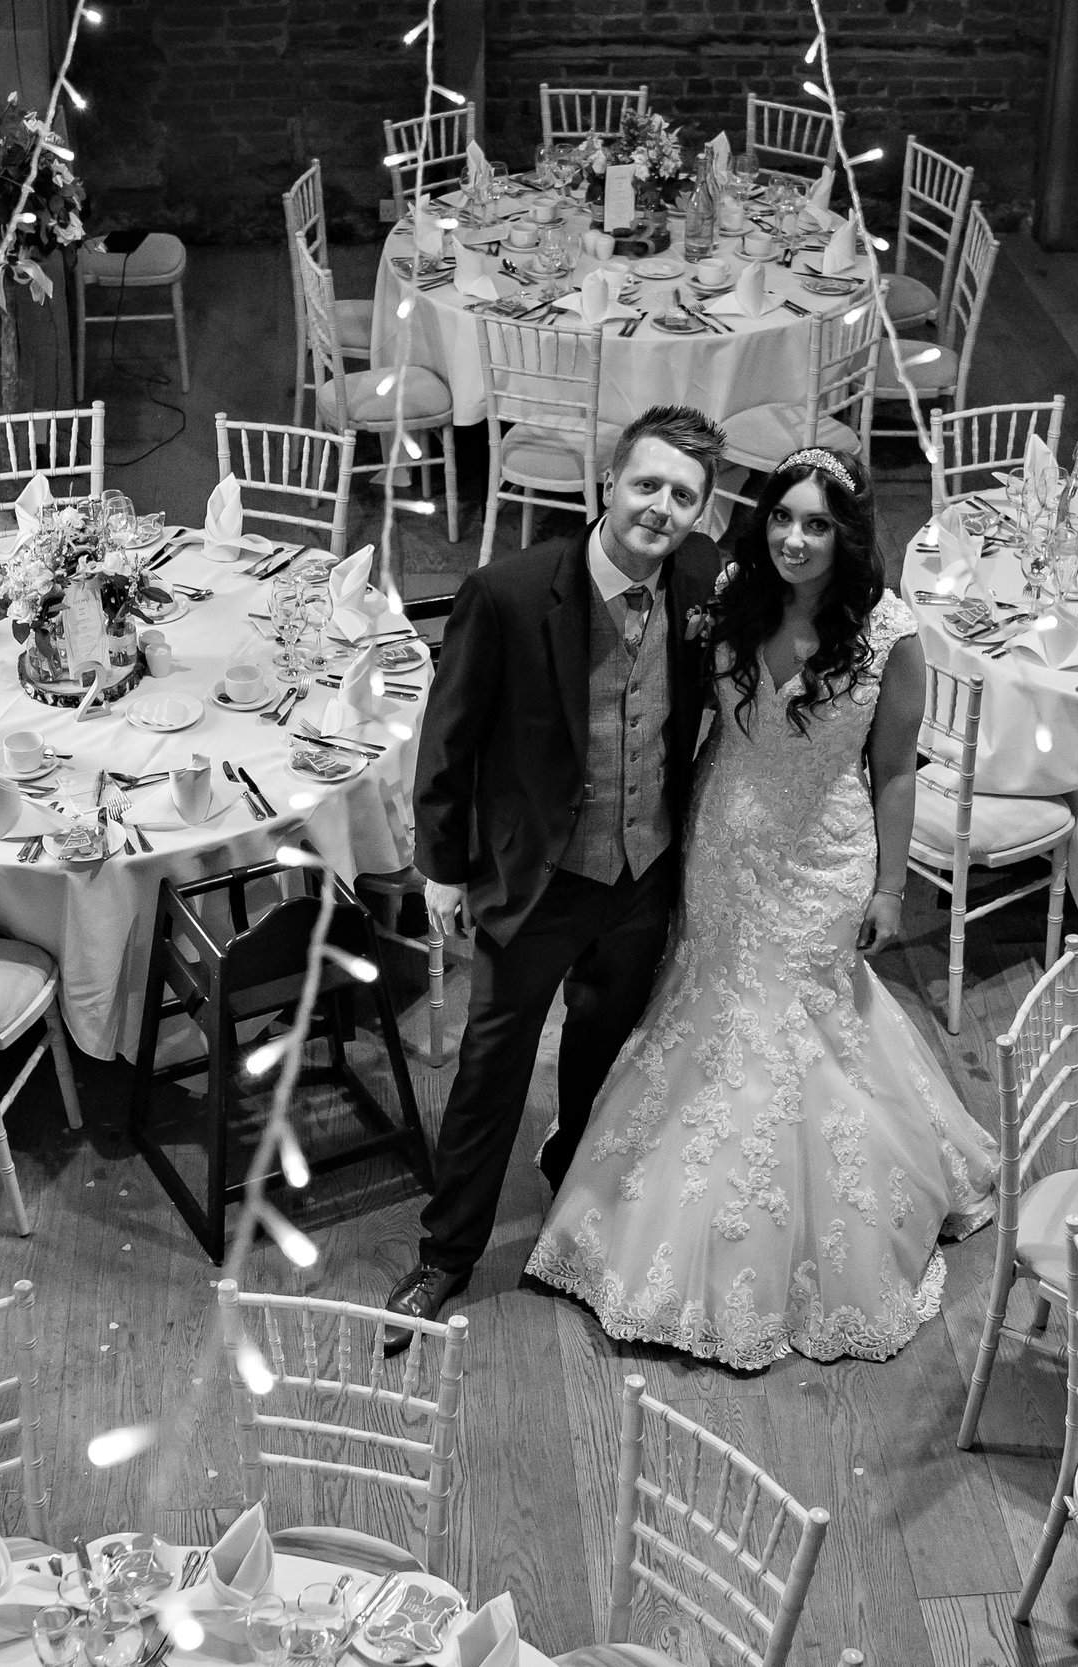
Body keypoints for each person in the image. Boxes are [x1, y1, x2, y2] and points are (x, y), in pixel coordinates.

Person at [523, 447, 1000, 1370]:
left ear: (848, 537)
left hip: (822, 858)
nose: (795, 537)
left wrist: (893, 886)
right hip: (719, 842)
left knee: (796, 1025)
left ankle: (798, 1245)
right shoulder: (734, 596)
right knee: (706, 1006)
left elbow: (896, 770)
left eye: (818, 524)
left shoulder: (893, 637)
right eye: (784, 516)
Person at [381, 407, 731, 1351]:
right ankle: (445, 1252)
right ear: (608, 484)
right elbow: (445, 740)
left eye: (683, 495)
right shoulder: (506, 592)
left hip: (645, 870)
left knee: (601, 1049)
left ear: (701, 514)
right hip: (534, 877)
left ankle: (575, 1197)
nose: (661, 508)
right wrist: (442, 868)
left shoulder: (702, 582)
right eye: (648, 484)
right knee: (492, 1068)